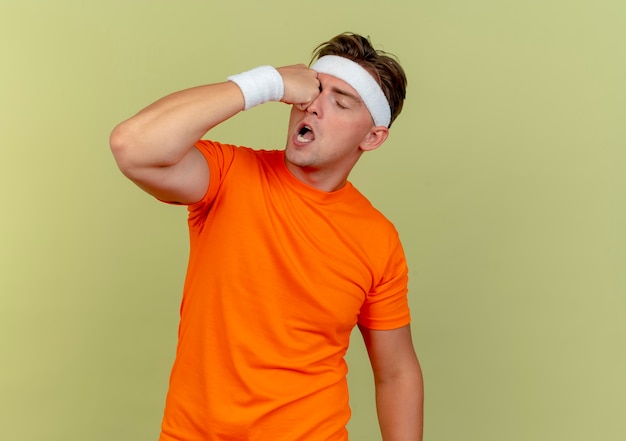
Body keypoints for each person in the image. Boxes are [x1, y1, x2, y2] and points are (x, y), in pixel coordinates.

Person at [110, 32, 423, 441]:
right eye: (313, 91)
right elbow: (132, 145)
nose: (312, 105)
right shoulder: (227, 174)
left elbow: (397, 371)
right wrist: (266, 82)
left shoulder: (378, 238)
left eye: (340, 101)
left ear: (372, 137)